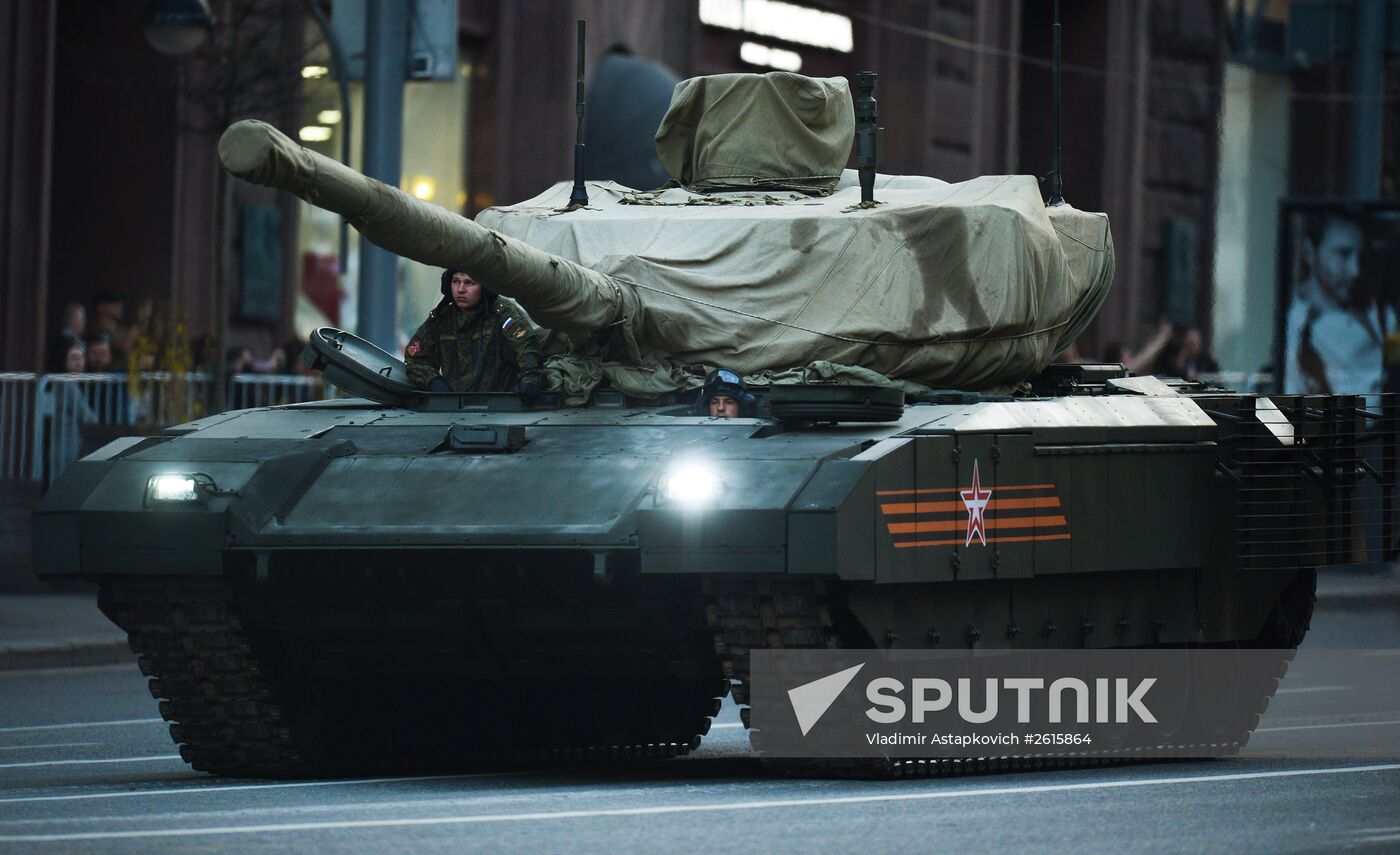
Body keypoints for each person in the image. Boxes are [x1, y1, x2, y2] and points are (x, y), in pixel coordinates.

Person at [1285, 212, 1396, 395]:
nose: (1355, 271)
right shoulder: (1292, 323)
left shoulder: (1380, 315)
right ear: (1310, 253)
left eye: (1360, 257)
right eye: (1343, 255)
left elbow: (1394, 364)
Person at [404, 269, 542, 394]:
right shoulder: (442, 318)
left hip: (499, 406)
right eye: (455, 282)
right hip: (453, 409)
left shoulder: (502, 315)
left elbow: (526, 349)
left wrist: (529, 379)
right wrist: (433, 381)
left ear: (485, 288)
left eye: (469, 283)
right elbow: (414, 358)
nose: (461, 289)